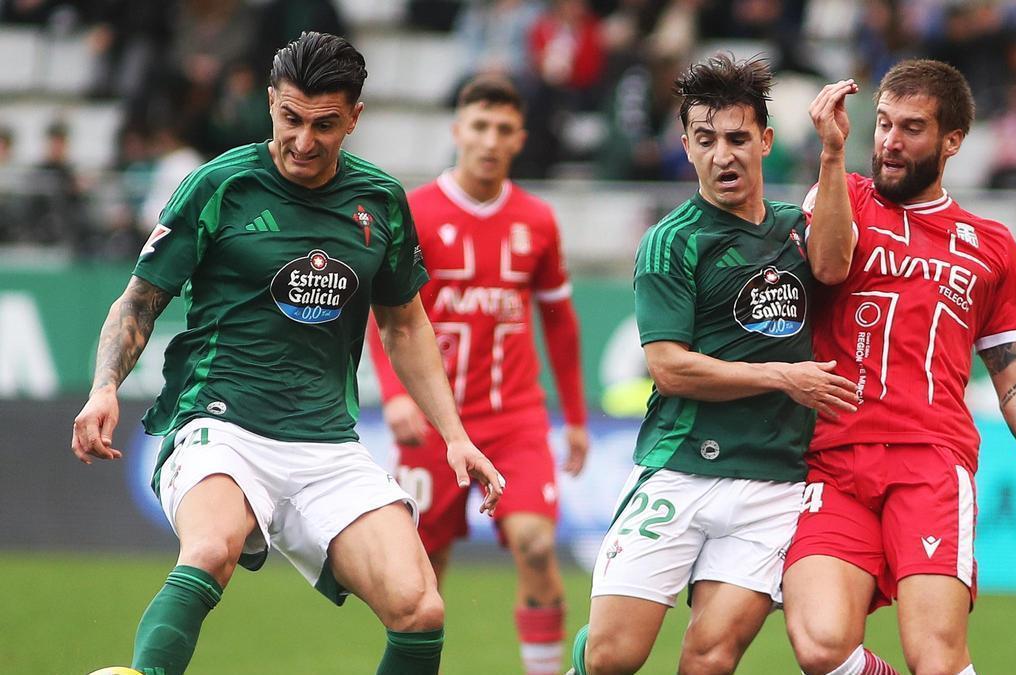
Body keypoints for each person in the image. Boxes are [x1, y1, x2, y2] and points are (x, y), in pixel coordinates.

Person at [69, 32, 504, 675]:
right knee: (212, 547)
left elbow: (405, 325)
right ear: (271, 101)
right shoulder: (218, 185)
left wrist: (455, 435)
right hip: (220, 424)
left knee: (420, 610)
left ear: (354, 117)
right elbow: (138, 302)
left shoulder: (380, 201)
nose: (302, 141)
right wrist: (104, 386)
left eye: (324, 125)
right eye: (290, 118)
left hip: (326, 443)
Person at [783, 58, 1016, 675]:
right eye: (883, 124)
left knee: (937, 659)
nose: (890, 141)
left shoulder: (992, 246)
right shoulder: (842, 193)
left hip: (930, 464)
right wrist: (830, 155)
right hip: (834, 459)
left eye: (913, 128)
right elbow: (826, 267)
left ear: (952, 141)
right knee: (821, 647)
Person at [569, 53, 860, 675]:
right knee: (612, 659)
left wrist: (833, 155)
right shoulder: (673, 241)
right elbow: (670, 368)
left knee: (711, 658)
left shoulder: (796, 228)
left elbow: (835, 266)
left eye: (736, 138)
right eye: (706, 140)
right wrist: (785, 376)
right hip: (679, 470)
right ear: (686, 147)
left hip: (772, 484)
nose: (722, 155)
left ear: (766, 141)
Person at [364, 75, 589, 675]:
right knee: (421, 580)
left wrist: (575, 419)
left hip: (514, 418)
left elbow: (561, 326)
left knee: (537, 546)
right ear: (457, 130)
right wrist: (393, 396)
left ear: (520, 138)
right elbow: (383, 316)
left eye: (503, 130)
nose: (490, 140)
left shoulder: (537, 221)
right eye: (480, 126)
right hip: (434, 422)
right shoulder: (412, 211)